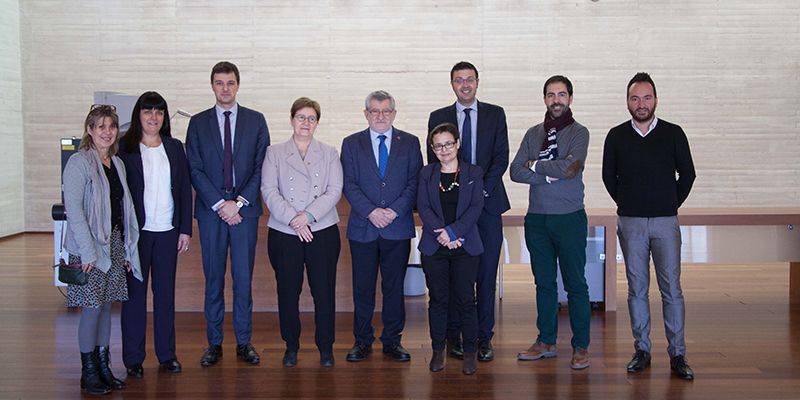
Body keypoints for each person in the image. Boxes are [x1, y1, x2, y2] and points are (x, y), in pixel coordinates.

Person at [602, 72, 696, 380]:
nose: (641, 104)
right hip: (631, 223)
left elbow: (688, 175)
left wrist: (669, 203)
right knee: (637, 289)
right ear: (627, 101)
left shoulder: (673, 133)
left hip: (665, 222)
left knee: (671, 289)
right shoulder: (616, 136)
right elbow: (608, 177)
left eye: (646, 97)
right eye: (635, 98)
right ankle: (642, 349)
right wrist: (630, 203)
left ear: (656, 99)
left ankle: (677, 353)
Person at [185, 61, 270, 367]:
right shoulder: (197, 123)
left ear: (238, 85)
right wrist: (221, 204)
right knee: (214, 279)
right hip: (212, 214)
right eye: (219, 82)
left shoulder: (256, 121)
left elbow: (262, 167)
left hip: (244, 213)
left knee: (243, 280)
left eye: (230, 82)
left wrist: (240, 202)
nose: (225, 88)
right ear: (212, 85)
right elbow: (194, 168)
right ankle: (215, 343)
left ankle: (244, 342)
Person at [427, 61, 510, 361]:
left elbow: (501, 158)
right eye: (459, 80)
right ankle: (453, 338)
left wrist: (478, 191)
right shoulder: (438, 117)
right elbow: (433, 163)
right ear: (452, 84)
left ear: (477, 82)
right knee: (451, 278)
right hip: (449, 209)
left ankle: (483, 337)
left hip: (487, 206)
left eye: (470, 79)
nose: (465, 84)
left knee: (485, 275)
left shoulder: (495, 114)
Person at [510, 75, 592, 370]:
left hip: (569, 218)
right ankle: (545, 341)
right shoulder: (533, 133)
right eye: (550, 95)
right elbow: (515, 170)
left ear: (570, 98)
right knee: (544, 283)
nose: (556, 100)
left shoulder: (579, 132)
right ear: (544, 99)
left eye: (561, 94)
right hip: (537, 219)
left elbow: (571, 167)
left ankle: (580, 346)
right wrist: (547, 173)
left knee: (576, 284)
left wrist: (536, 165)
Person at [63, 104, 142, 395]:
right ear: (89, 130)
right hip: (90, 248)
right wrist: (88, 253)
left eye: (111, 126)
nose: (107, 132)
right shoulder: (79, 163)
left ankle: (104, 367)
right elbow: (75, 211)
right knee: (92, 309)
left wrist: (126, 250)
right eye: (100, 127)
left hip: (114, 244)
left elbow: (124, 208)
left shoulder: (117, 163)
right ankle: (89, 373)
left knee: (108, 308)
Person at [341, 90, 423, 362]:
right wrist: (371, 211)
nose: (380, 116)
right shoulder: (351, 144)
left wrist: (393, 211)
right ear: (366, 114)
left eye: (385, 111)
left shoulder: (410, 143)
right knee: (363, 288)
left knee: (393, 287)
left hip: (397, 227)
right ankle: (362, 341)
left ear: (394, 114)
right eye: (374, 111)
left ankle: (392, 341)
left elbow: (414, 183)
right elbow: (349, 184)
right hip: (363, 228)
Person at [261, 97, 343, 368]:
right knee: (287, 291)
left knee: (324, 291)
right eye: (301, 117)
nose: (305, 123)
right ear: (291, 119)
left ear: (317, 123)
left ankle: (325, 347)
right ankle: (291, 345)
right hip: (285, 232)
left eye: (311, 118)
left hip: (322, 230)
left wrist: (307, 217)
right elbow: (269, 191)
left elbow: (334, 190)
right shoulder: (274, 153)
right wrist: (294, 220)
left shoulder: (329, 152)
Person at [118, 91, 192, 377]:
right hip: (137, 235)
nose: (153, 117)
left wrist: (184, 228)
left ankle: (166, 355)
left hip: (168, 233)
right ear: (139, 115)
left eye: (159, 112)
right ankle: (133, 358)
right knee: (134, 298)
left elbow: (184, 189)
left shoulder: (174, 147)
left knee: (165, 296)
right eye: (148, 111)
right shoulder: (125, 147)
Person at [417, 122, 484, 375]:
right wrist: (444, 235)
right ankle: (438, 351)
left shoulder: (473, 173)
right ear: (433, 149)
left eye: (448, 143)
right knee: (438, 300)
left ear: (457, 144)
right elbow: (424, 208)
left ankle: (469, 353)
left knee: (467, 300)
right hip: (435, 247)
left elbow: (476, 208)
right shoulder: (427, 174)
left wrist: (454, 233)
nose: (444, 149)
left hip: (465, 246)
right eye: (438, 146)